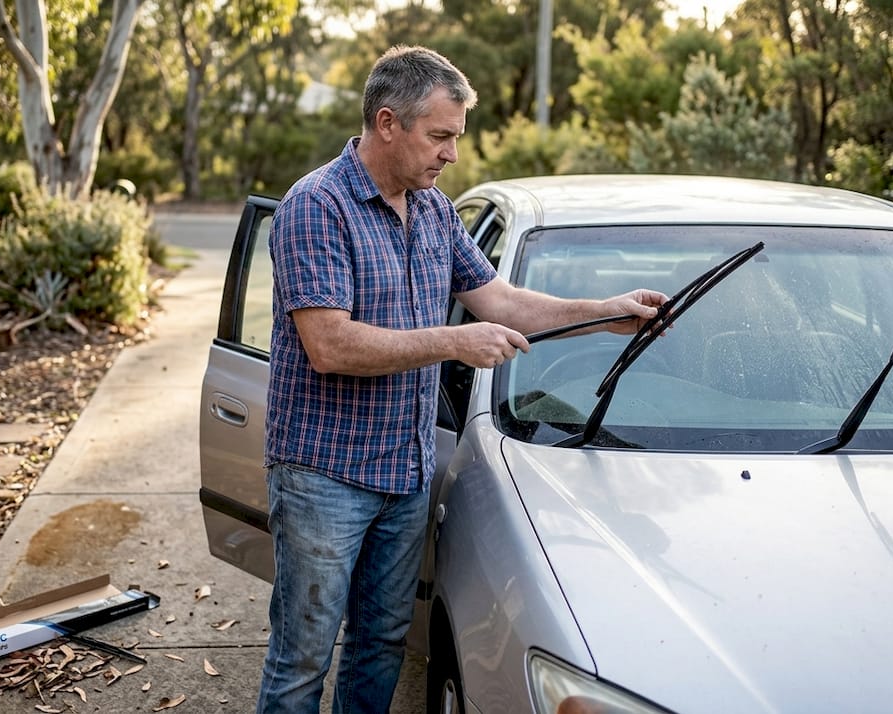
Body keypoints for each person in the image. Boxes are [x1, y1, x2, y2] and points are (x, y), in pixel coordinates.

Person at [259, 45, 668, 714]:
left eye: (455, 138)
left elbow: (499, 300)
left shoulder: (432, 210)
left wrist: (601, 313)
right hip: (323, 479)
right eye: (440, 135)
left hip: (406, 476)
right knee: (302, 659)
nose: (451, 154)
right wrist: (454, 340)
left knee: (381, 644)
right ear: (388, 123)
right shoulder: (317, 206)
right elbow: (328, 345)